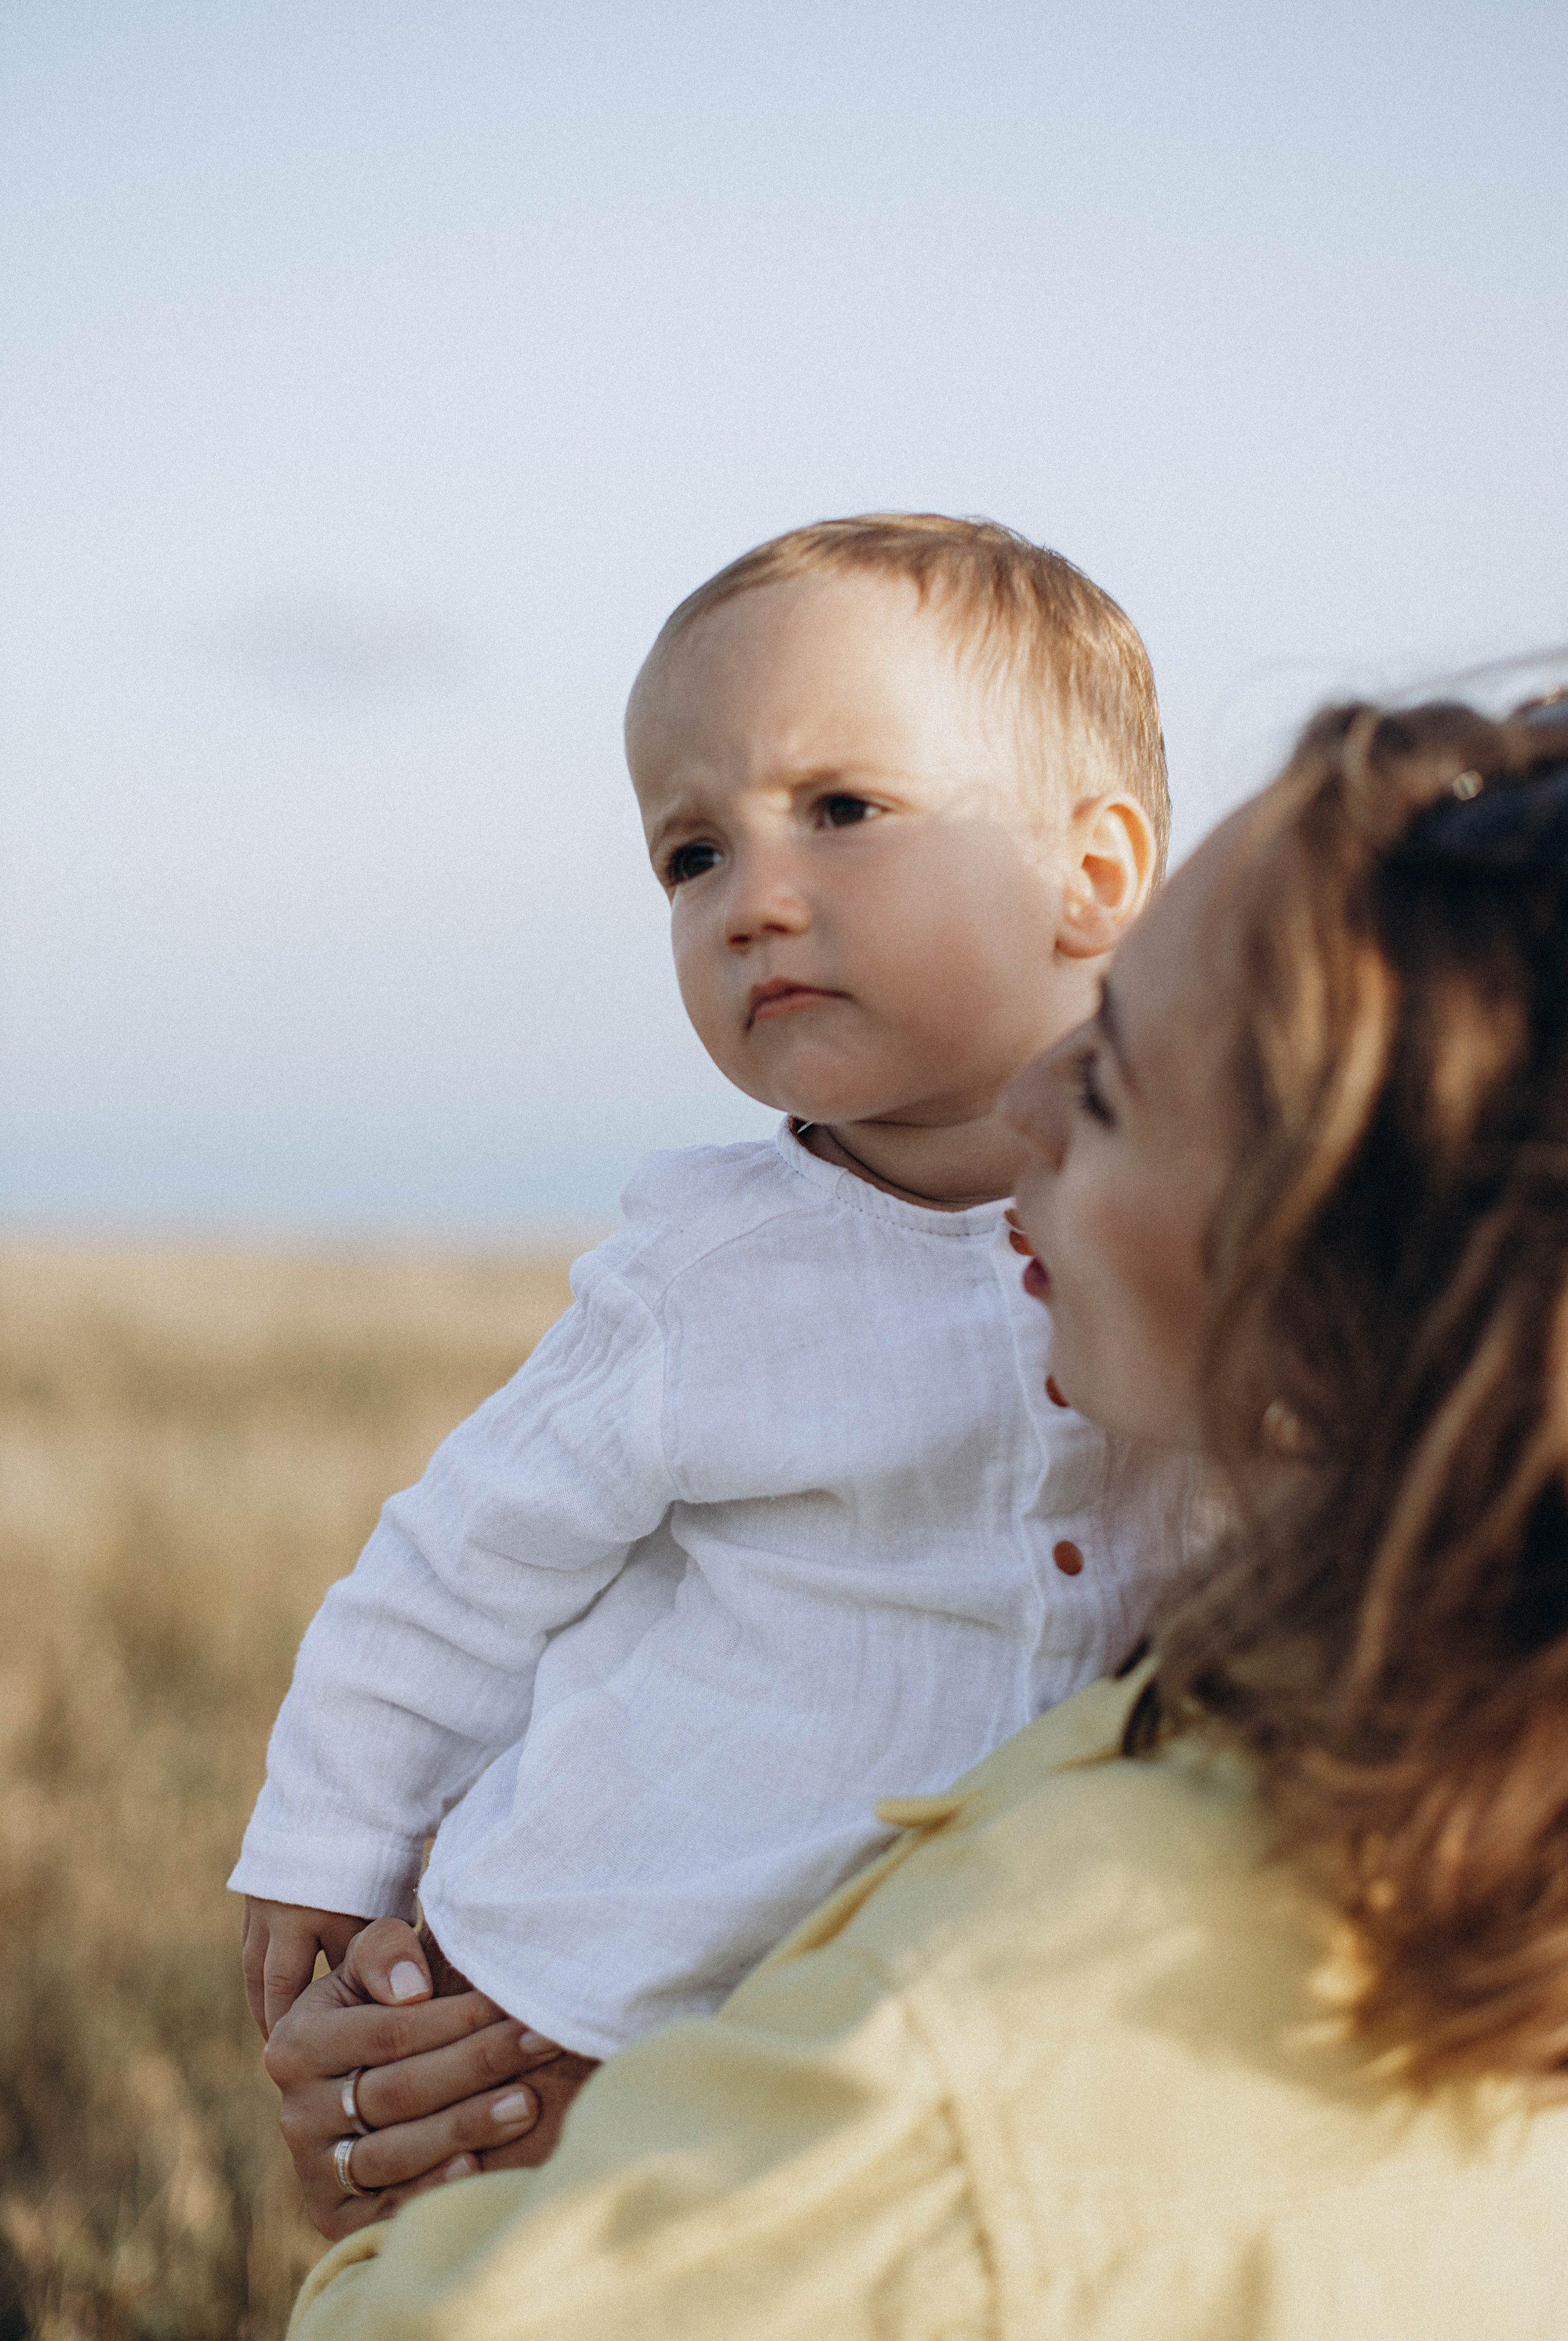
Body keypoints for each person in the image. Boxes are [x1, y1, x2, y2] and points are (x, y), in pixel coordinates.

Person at [279, 686, 1568, 2337]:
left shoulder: (975, 2055)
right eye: (693, 853)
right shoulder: (1363, 1752)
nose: (1026, 1107)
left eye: (1109, 1086)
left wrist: (397, 2213)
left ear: (1339, 1255)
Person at [231, 515, 1200, 2178]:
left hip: (1009, 1976)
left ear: (1091, 875)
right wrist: (332, 1836)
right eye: (691, 855)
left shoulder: (1235, 1203)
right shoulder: (711, 1269)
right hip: (632, 1966)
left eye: (842, 812)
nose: (753, 901)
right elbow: (460, 1567)